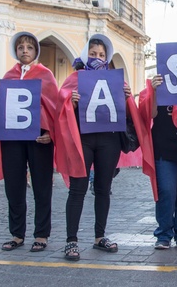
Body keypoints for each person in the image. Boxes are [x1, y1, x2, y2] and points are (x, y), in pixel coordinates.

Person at [55, 34, 133, 261]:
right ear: (84, 55)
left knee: (103, 189)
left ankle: (100, 237)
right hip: (83, 139)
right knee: (77, 189)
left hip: (108, 140)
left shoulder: (116, 80)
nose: (97, 58)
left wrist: (127, 98)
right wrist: (71, 101)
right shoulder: (75, 79)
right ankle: (71, 241)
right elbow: (61, 103)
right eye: (93, 54)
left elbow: (128, 114)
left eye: (101, 55)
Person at [0, 32, 58, 252]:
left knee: (41, 187)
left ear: (36, 51)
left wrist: (51, 133)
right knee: (14, 186)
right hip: (12, 136)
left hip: (39, 137)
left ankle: (41, 234)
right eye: (21, 47)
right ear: (16, 51)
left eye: (29, 47)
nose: (24, 51)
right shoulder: (8, 76)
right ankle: (17, 234)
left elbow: (55, 108)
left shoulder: (46, 75)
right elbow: (0, 109)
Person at [139, 75, 177, 249]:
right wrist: (154, 91)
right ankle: (164, 233)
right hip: (164, 148)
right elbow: (148, 115)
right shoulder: (155, 87)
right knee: (166, 191)